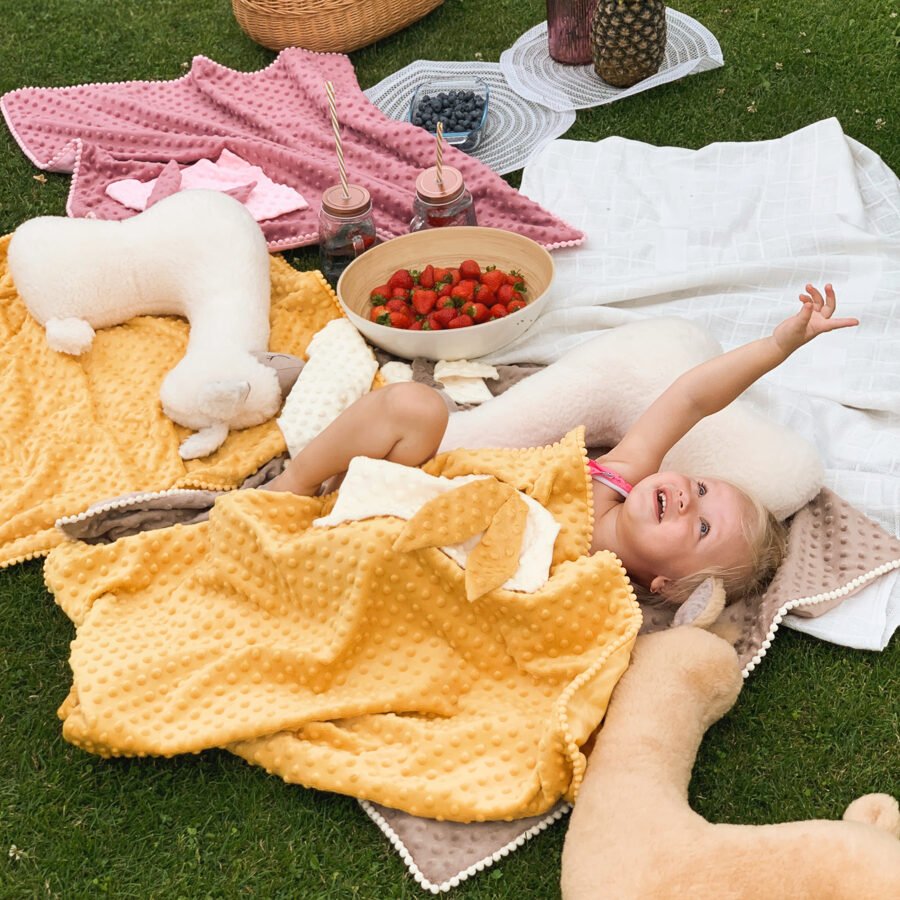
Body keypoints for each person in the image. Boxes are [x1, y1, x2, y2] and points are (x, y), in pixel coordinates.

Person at [266, 284, 858, 604]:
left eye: (701, 528)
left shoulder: (592, 589)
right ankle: (291, 488)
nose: (686, 498)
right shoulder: (614, 479)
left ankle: (318, 551)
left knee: (370, 581)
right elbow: (690, 400)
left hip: (406, 556)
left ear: (669, 586)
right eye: (702, 488)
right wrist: (778, 347)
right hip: (411, 488)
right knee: (415, 406)